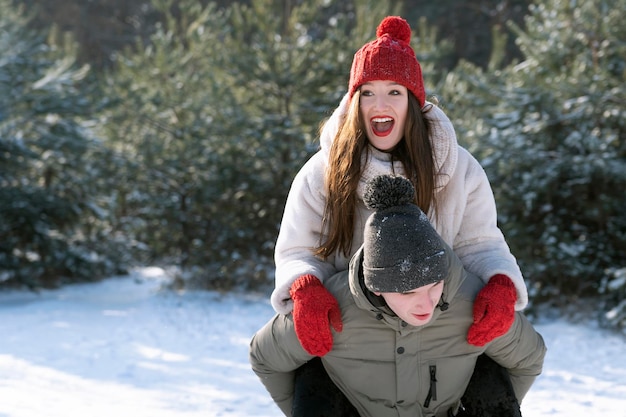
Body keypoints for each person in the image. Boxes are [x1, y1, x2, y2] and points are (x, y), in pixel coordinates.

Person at [271, 15, 528, 357]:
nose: (380, 105)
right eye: (368, 93)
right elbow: (297, 252)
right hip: (348, 331)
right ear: (353, 102)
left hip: (436, 330)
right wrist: (306, 288)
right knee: (273, 352)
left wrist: (501, 284)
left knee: (514, 360)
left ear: (413, 102)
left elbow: (480, 245)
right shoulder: (321, 172)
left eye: (394, 91)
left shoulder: (460, 168)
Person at [251, 175, 546, 417]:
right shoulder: (334, 308)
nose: (426, 303)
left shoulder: (470, 301)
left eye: (434, 285)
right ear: (376, 286)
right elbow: (265, 358)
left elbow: (528, 359)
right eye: (408, 291)